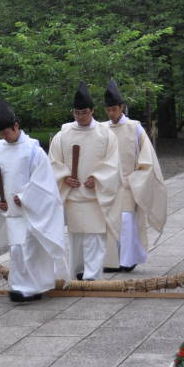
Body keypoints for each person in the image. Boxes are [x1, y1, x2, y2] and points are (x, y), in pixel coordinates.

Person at [0, 100, 69, 303]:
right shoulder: (0, 148)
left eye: (7, 132)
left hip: (31, 209)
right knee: (16, 249)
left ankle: (31, 287)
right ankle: (20, 286)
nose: (4, 137)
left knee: (29, 248)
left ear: (16, 126)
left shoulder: (33, 150)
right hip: (11, 210)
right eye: (1, 134)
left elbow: (43, 181)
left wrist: (25, 197)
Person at [49, 82, 122, 281]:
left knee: (95, 236)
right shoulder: (63, 135)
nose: (80, 116)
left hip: (95, 195)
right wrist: (64, 177)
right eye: (77, 112)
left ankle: (92, 276)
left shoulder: (105, 134)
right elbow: (53, 161)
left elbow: (113, 163)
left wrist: (97, 178)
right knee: (76, 237)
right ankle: (77, 271)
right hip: (73, 195)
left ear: (92, 111)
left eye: (84, 112)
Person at [101, 79, 167, 273]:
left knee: (127, 222)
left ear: (122, 107)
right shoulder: (102, 129)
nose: (111, 113)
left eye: (114, 109)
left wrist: (134, 180)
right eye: (108, 109)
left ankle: (127, 260)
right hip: (108, 184)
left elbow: (147, 159)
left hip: (128, 183)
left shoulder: (135, 128)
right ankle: (111, 260)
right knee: (109, 222)